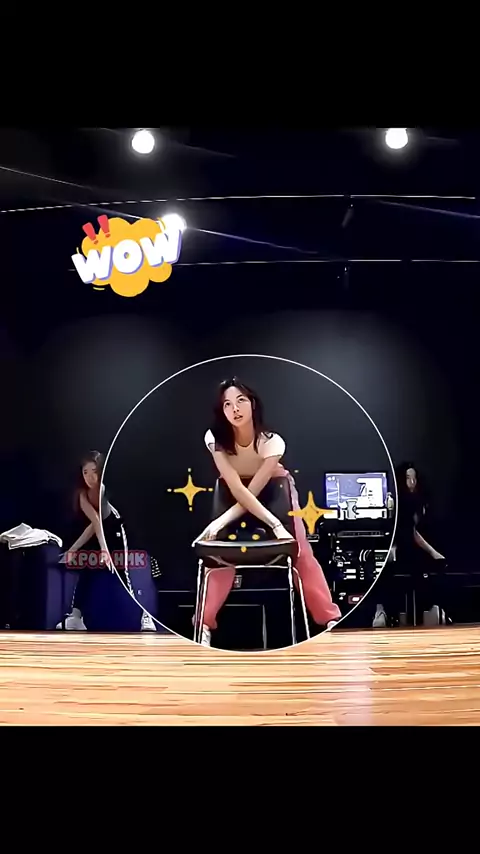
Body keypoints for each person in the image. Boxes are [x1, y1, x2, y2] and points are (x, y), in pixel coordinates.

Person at [194, 378, 342, 647]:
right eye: (227, 404)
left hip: (274, 491)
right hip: (234, 493)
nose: (235, 409)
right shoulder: (214, 439)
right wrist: (219, 524)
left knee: (300, 551)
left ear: (253, 404)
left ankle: (330, 619)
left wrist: (275, 525)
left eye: (241, 400)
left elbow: (254, 490)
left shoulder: (271, 442)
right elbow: (237, 489)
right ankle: (203, 624)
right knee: (220, 557)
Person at [57, 450, 156, 632]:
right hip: (98, 531)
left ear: (101, 471)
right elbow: (94, 524)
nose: (90, 477)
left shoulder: (101, 489)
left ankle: (146, 616)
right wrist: (73, 550)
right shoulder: (82, 494)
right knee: (86, 569)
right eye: (85, 472)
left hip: (115, 530)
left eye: (94, 471)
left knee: (123, 573)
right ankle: (76, 617)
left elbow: (101, 522)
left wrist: (105, 550)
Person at [373, 462, 448, 628]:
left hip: (418, 549)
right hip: (405, 549)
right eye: (408, 478)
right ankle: (385, 611)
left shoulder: (423, 501)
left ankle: (432, 608)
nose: (412, 482)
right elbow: (410, 533)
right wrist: (433, 552)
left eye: (414, 478)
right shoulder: (400, 503)